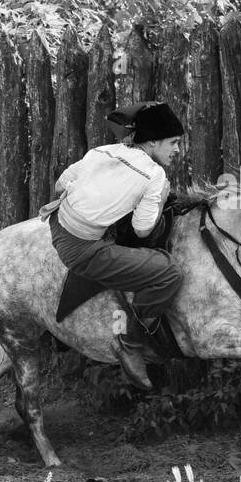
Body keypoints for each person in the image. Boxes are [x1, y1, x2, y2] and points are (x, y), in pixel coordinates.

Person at [44, 102, 185, 389]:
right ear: (153, 141)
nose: (177, 150)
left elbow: (61, 184)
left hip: (56, 223)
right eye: (174, 142)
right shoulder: (155, 176)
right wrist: (159, 200)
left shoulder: (101, 151)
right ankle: (131, 341)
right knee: (170, 272)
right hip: (82, 250)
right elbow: (143, 229)